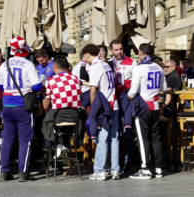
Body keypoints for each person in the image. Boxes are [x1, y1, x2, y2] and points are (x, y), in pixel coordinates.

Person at [0, 36, 42, 182]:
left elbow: (1, 87)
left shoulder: (4, 65)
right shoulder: (28, 64)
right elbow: (36, 87)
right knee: (25, 139)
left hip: (7, 105)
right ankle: (23, 172)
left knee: (7, 139)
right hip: (23, 106)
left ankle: (4, 171)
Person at [128, 43, 167, 179]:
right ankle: (158, 168)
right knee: (156, 138)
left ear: (140, 53)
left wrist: (128, 97)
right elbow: (164, 87)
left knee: (143, 138)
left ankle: (144, 168)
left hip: (142, 107)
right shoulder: (158, 67)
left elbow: (133, 91)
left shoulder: (139, 68)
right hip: (155, 106)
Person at [83, 44, 119, 181]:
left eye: (84, 57)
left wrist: (93, 108)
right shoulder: (105, 65)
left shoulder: (95, 67)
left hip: (104, 108)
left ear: (87, 54)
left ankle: (100, 171)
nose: (84, 60)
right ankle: (115, 169)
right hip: (114, 104)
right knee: (114, 138)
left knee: (101, 139)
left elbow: (93, 90)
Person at [41, 55, 83, 159]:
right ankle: (64, 148)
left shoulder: (51, 81)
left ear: (54, 66)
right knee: (65, 129)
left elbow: (45, 107)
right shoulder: (76, 79)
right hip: (75, 117)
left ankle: (57, 149)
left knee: (41, 126)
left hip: (58, 116)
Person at [109, 39, 138, 173]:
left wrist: (129, 96)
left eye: (121, 49)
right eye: (116, 50)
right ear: (111, 51)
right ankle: (117, 160)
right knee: (116, 133)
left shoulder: (132, 62)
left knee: (127, 132)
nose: (119, 52)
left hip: (128, 98)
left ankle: (129, 161)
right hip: (114, 99)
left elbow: (137, 82)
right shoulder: (108, 63)